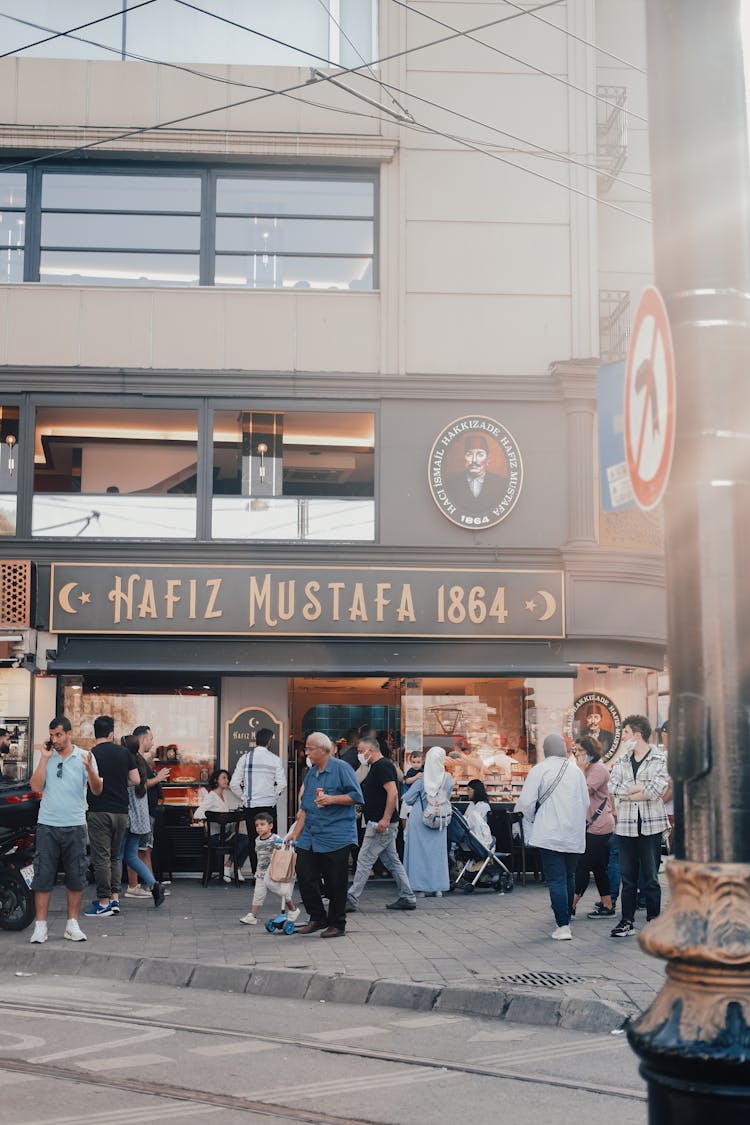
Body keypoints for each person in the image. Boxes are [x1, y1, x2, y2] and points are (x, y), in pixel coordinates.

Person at [29, 715, 103, 944]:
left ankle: (72, 924)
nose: (55, 739)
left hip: (75, 825)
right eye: (52, 735)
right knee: (43, 875)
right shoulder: (47, 756)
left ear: (69, 734)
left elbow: (97, 790)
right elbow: (35, 786)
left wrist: (90, 770)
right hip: (48, 824)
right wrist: (44, 758)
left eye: (58, 735)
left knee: (76, 875)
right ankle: (40, 927)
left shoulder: (84, 756)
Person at [286, 731, 363, 938]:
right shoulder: (311, 773)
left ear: (323, 750)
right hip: (310, 834)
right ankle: (317, 917)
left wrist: (332, 799)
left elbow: (356, 796)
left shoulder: (342, 768)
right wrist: (295, 832)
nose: (307, 752)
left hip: (336, 834)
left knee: (335, 882)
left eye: (310, 749)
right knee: (304, 875)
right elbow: (305, 808)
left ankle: (337, 924)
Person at [514, 733, 589, 941]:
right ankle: (566, 917)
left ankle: (563, 926)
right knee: (569, 876)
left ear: (545, 751)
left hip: (549, 832)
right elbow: (585, 803)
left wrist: (531, 821)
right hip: (573, 833)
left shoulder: (539, 770)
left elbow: (526, 803)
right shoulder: (576, 772)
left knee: (556, 879)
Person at [608, 715, 670, 938]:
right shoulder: (623, 759)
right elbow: (613, 786)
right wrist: (636, 791)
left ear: (636, 735)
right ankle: (627, 921)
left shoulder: (659, 758)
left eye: (625, 733)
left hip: (650, 826)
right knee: (628, 877)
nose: (622, 738)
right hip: (626, 826)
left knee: (651, 877)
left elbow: (657, 790)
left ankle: (654, 920)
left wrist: (631, 793)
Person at [345, 736, 416, 912]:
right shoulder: (374, 766)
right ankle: (408, 897)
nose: (359, 754)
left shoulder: (382, 766)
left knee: (364, 859)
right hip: (381, 822)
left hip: (380, 824)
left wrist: (385, 819)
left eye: (362, 751)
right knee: (392, 861)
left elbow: (392, 792)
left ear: (372, 750)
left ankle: (351, 899)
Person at [85, 714, 140, 918]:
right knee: (115, 856)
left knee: (101, 858)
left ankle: (103, 902)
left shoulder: (89, 754)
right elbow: (135, 779)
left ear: (95, 733)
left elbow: (87, 782)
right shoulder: (124, 753)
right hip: (121, 812)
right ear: (112, 733)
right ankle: (115, 899)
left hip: (99, 811)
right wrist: (119, 784)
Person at [230, 727, 287, 876]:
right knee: (270, 841)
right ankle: (270, 874)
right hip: (268, 806)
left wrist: (244, 797)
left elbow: (234, 784)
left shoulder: (245, 758)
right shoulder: (274, 759)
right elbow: (282, 784)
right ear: (269, 742)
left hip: (251, 806)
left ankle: (257, 875)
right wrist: (273, 796)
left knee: (253, 841)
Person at [571, 736, 616, 919]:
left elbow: (584, 791)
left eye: (581, 751)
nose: (577, 754)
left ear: (590, 752)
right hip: (592, 825)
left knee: (583, 865)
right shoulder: (589, 768)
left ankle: (570, 905)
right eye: (576, 751)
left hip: (599, 826)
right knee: (598, 867)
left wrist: (581, 769)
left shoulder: (598, 769)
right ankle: (607, 905)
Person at [119, 735, 166, 907]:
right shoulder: (140, 763)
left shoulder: (127, 765)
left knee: (118, 856)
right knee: (132, 856)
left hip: (128, 818)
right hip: (141, 819)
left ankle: (112, 897)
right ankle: (154, 885)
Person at [401, 746, 454, 896]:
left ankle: (420, 887)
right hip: (439, 818)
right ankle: (438, 887)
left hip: (420, 817)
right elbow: (448, 796)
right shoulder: (448, 778)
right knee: (437, 854)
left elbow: (409, 799)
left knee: (418, 855)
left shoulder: (421, 778)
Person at [239, 812, 299, 926]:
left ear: (270, 826)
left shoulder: (275, 839)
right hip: (261, 873)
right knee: (258, 894)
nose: (259, 827)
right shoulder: (257, 839)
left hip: (273, 872)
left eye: (262, 824)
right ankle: (252, 916)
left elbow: (283, 853)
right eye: (257, 825)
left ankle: (292, 909)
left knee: (282, 893)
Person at [131, 724, 170, 889]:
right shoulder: (135, 759)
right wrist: (159, 778)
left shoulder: (139, 759)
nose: (152, 743)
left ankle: (151, 885)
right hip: (142, 812)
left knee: (144, 849)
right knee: (141, 850)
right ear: (143, 739)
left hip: (147, 811)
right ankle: (146, 886)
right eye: (151, 739)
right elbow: (139, 784)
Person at [193, 768, 249, 882]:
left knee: (248, 840)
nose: (226, 780)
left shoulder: (225, 796)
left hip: (225, 834)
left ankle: (236, 867)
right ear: (216, 780)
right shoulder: (211, 796)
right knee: (243, 840)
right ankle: (229, 865)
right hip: (215, 837)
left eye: (227, 778)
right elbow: (198, 813)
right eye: (223, 778)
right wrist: (214, 818)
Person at [445, 433, 508, 515]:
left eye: (480, 454)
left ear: (488, 459)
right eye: (469, 454)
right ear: (464, 458)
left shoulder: (501, 483)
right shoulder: (451, 484)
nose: (474, 460)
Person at [464, 778, 492, 851]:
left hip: (479, 838)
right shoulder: (472, 804)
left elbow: (471, 821)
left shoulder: (483, 805)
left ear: (475, 790)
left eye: (469, 789)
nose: (467, 792)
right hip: (471, 834)